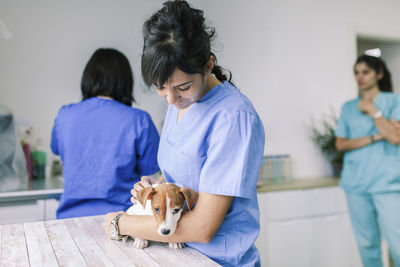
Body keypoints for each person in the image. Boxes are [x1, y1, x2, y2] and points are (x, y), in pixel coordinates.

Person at [104, 1, 265, 266]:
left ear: (208, 65)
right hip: (176, 254)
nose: (170, 99)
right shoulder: (181, 103)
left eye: (182, 86)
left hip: (216, 260)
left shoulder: (233, 117)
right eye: (160, 88)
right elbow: (182, 174)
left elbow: (203, 227)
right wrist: (156, 189)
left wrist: (121, 223)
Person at [51, 48, 160, 219]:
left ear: (87, 79)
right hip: (121, 220)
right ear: (125, 82)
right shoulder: (139, 120)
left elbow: (57, 149)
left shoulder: (65, 114)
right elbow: (151, 170)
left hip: (69, 219)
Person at [335, 54, 400, 267]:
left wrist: (373, 110)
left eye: (365, 72)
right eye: (356, 72)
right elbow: (341, 144)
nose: (359, 77)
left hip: (388, 184)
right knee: (367, 245)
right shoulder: (348, 107)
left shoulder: (394, 101)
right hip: (355, 184)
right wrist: (376, 135)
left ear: (379, 74)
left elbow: (394, 137)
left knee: (398, 244)